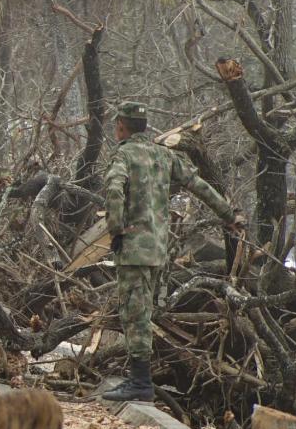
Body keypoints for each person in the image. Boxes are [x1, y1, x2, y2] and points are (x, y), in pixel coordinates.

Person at [102, 102, 244, 401]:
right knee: (145, 311)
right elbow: (198, 184)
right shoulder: (165, 155)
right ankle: (139, 378)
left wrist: (115, 229)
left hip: (134, 248)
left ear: (121, 126)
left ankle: (140, 383)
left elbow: (114, 189)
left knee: (134, 314)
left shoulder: (124, 154)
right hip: (159, 248)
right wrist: (229, 215)